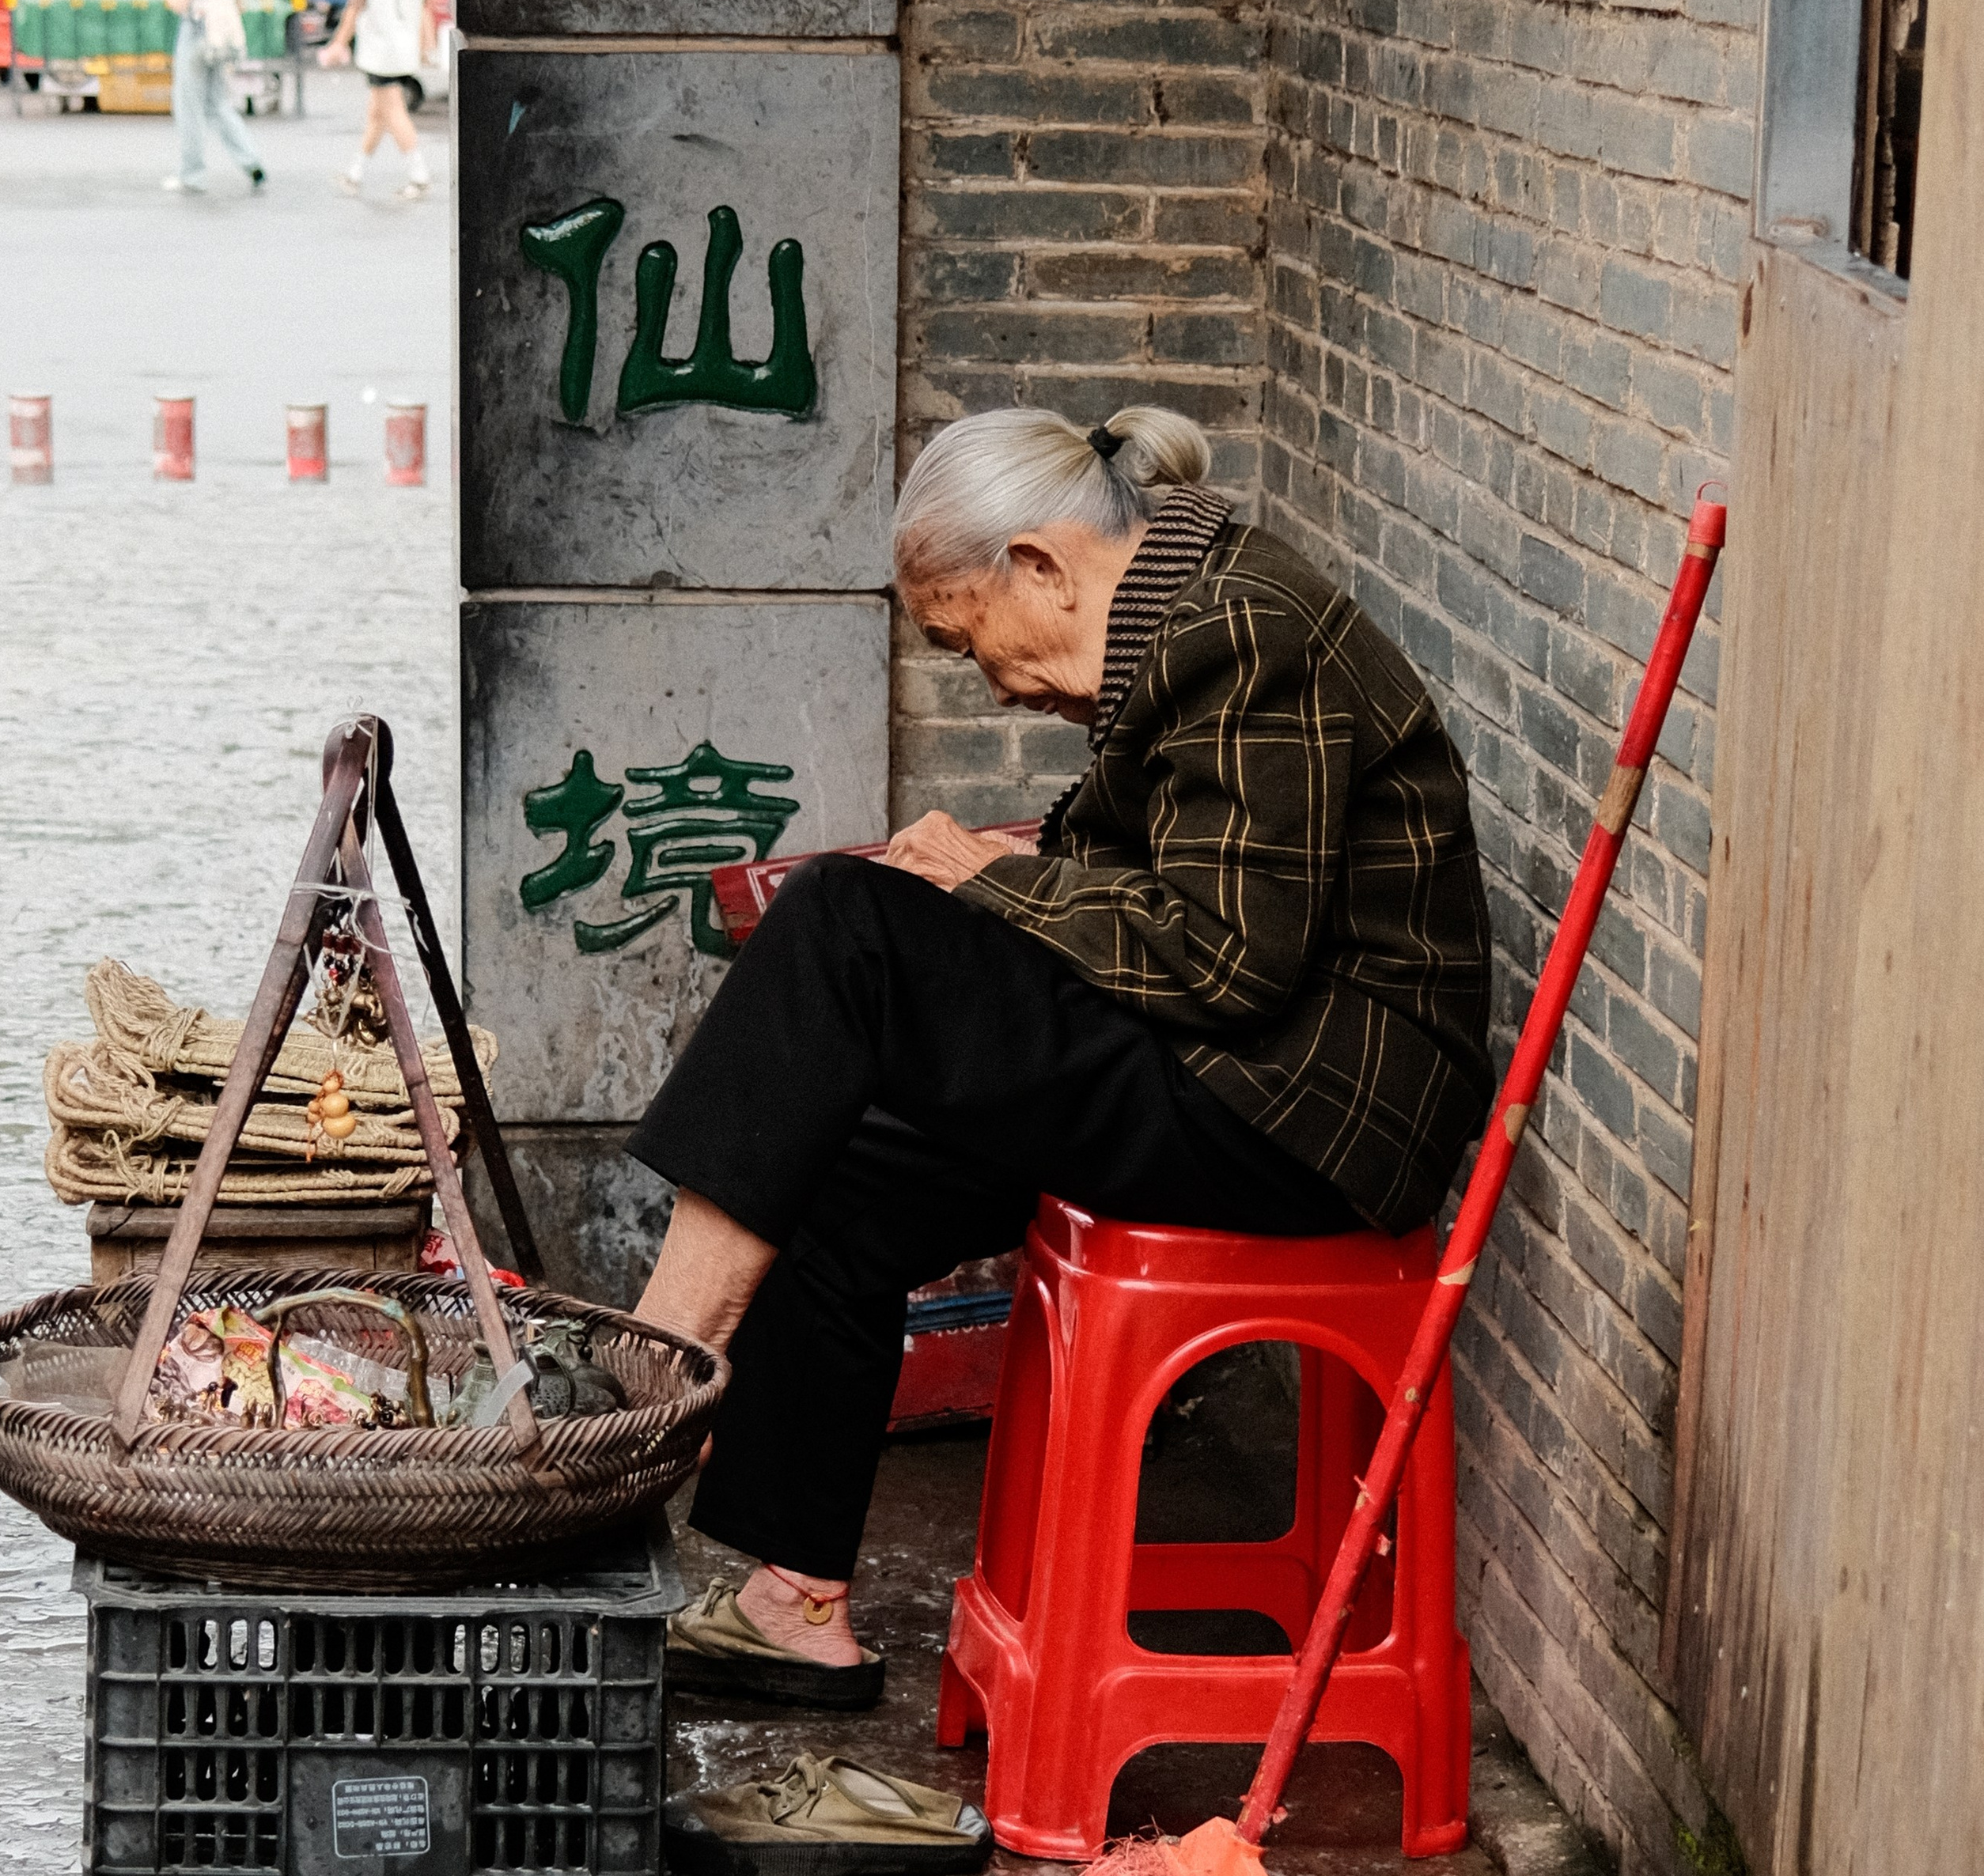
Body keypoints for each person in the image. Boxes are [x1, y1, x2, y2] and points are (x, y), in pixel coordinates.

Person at [635, 406, 1494, 1714]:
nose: (987, 679)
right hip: (1229, 1068)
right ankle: (789, 1597)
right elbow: (1125, 883)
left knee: (838, 926)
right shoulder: (1175, 627)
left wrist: (988, 880)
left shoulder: (1241, 632)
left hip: (1304, 1110)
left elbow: (1225, 961)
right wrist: (994, 886)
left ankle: (650, 1381)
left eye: (966, 633)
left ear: (1038, 564)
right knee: (837, 1159)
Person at [320, 0, 434, 202]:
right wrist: (426, 43)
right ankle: (355, 172)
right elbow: (423, 4)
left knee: (392, 111)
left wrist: (338, 44)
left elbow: (355, 7)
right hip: (403, 47)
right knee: (377, 113)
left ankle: (419, 174)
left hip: (380, 49)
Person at [161, 0, 265, 197]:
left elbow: (180, 3)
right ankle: (251, 160)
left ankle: (192, 173)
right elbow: (239, 4)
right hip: (223, 37)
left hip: (195, 32)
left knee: (189, 104)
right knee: (219, 102)